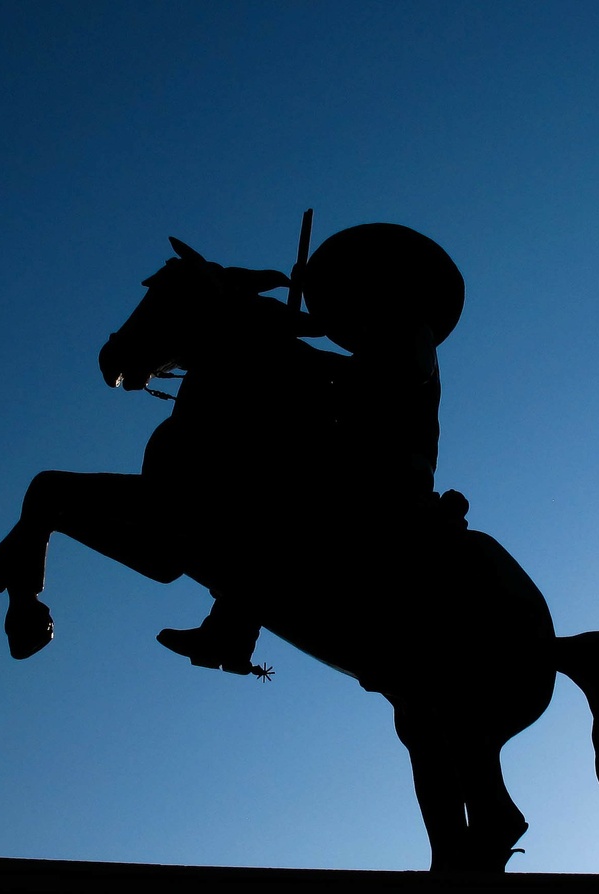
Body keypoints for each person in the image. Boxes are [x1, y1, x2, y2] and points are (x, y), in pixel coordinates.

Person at [156, 223, 469, 675]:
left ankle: (230, 633)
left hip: (390, 467)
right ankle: (229, 627)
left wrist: (295, 359)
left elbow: (389, 377)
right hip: (353, 456)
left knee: (279, 502)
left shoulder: (407, 328)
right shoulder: (374, 333)